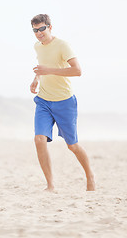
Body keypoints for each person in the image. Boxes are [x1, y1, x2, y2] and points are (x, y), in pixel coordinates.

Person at [30, 14, 95, 191]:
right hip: (44, 100)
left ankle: (90, 176)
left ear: (50, 27)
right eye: (35, 30)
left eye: (42, 28)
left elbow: (77, 71)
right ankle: (50, 185)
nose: (39, 33)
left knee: (72, 145)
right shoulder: (37, 46)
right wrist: (37, 78)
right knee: (39, 139)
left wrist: (48, 70)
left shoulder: (62, 45)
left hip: (64, 101)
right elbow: (42, 65)